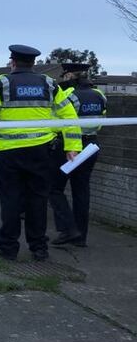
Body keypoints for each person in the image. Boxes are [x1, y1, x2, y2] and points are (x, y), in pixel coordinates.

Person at [0, 45, 82, 261]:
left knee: (11, 199)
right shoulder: (49, 83)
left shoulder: (1, 84)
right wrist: (72, 147)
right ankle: (39, 248)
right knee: (38, 200)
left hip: (9, 154)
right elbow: (68, 116)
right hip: (40, 153)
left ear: (12, 62)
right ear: (33, 63)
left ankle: (8, 248)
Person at [48, 63, 107, 247]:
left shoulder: (68, 95)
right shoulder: (99, 95)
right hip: (91, 145)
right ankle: (81, 236)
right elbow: (103, 118)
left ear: (70, 75)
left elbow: (57, 120)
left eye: (64, 75)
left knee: (54, 188)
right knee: (81, 191)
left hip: (69, 146)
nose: (63, 78)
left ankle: (68, 230)